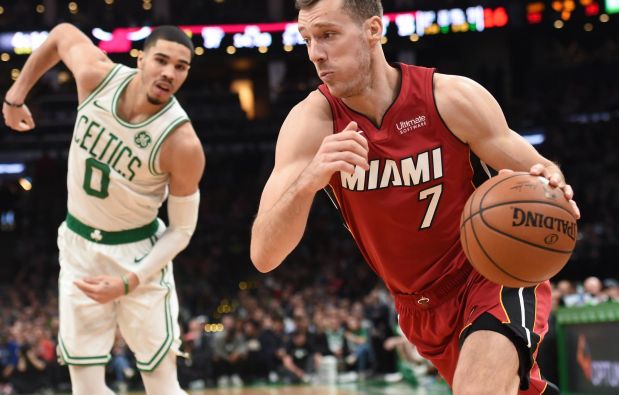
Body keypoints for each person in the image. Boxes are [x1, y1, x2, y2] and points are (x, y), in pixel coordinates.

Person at [250, 0, 581, 394]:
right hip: (418, 306)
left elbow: (540, 170)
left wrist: (553, 186)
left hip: (491, 269)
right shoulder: (311, 124)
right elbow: (264, 254)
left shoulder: (449, 98)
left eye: (327, 35)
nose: (315, 53)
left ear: (373, 30)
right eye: (307, 40)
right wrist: (309, 180)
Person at [3, 24, 204, 395]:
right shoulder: (97, 77)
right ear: (140, 59)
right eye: (161, 60)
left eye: (181, 67)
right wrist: (15, 96)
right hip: (80, 247)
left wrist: (130, 280)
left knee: (162, 386)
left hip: (138, 256)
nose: (168, 73)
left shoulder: (182, 143)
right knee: (86, 389)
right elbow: (63, 34)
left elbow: (181, 230)